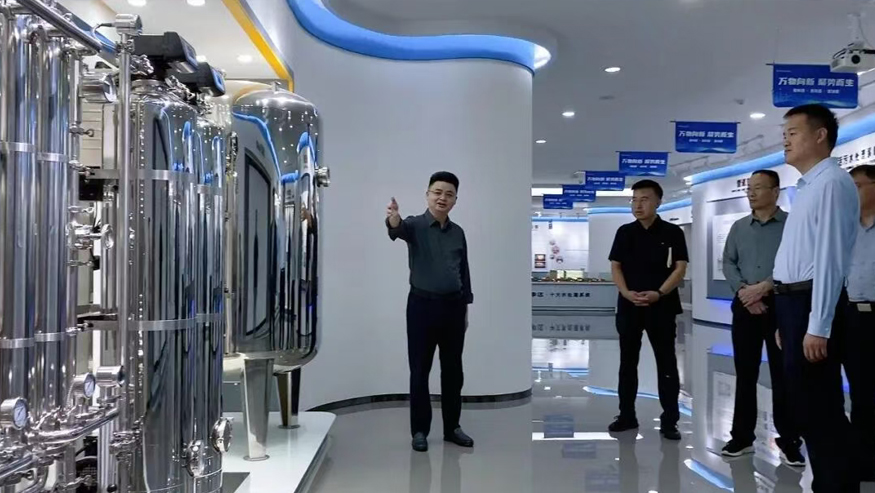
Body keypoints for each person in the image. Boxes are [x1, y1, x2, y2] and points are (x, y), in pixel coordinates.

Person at [772, 104, 860, 492]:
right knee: (807, 405)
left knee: (820, 407)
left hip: (811, 304)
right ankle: (829, 481)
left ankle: (836, 485)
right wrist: (787, 320)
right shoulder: (808, 187)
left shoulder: (832, 184)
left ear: (820, 135)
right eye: (785, 134)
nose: (785, 140)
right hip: (795, 306)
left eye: (793, 133)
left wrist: (818, 325)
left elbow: (829, 260)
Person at [720, 169, 804, 466]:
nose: (751, 193)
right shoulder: (739, 227)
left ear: (775, 191)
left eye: (758, 188)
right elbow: (728, 262)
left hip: (781, 305)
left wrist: (764, 288)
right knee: (745, 373)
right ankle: (742, 437)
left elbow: (797, 263)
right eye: (749, 189)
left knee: (784, 374)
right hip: (745, 305)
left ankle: (789, 439)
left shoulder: (792, 225)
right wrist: (745, 291)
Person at [386, 171, 474, 453]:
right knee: (420, 370)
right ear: (427, 195)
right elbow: (396, 230)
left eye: (449, 194)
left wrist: (465, 308)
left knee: (453, 371)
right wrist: (393, 218)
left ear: (455, 200)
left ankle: (452, 428)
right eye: (437, 192)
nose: (442, 198)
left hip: (454, 308)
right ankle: (420, 430)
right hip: (421, 307)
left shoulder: (458, 232)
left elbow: (463, 272)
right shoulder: (415, 225)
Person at [607, 179, 689, 440]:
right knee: (627, 363)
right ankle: (626, 415)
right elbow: (616, 266)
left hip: (661, 306)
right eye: (634, 200)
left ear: (658, 202)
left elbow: (680, 268)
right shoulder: (624, 232)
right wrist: (625, 292)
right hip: (629, 306)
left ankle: (670, 420)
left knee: (667, 363)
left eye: (644, 199)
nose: (637, 205)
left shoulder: (672, 232)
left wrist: (660, 293)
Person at [845, 164, 875, 481]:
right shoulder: (845, 229)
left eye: (857, 186)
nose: (851, 193)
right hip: (852, 315)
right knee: (860, 390)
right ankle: (863, 460)